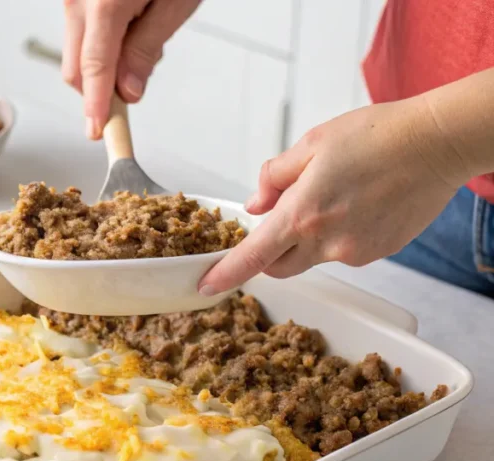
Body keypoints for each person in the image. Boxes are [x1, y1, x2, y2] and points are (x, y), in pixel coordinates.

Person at [61, 0, 494, 298]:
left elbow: (434, 146)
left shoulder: (426, 152)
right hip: (406, 181)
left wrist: (439, 142)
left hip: (412, 163)